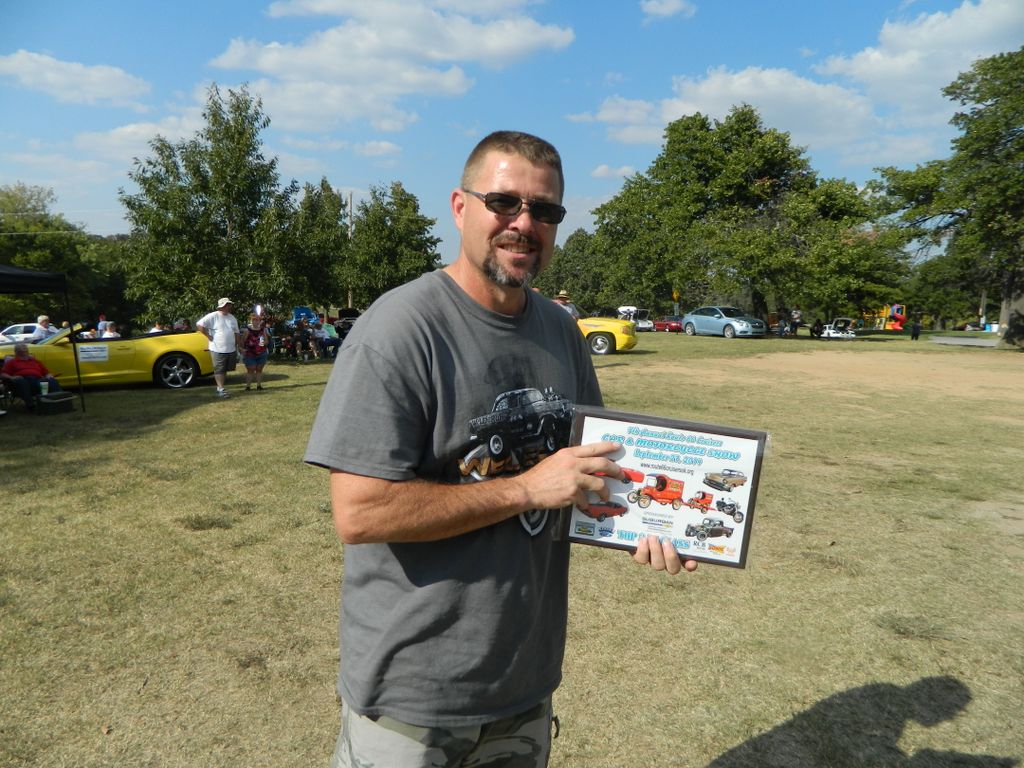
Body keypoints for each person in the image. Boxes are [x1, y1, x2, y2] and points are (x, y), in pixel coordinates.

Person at [304, 130, 696, 768]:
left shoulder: (561, 331)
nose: (523, 223)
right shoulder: (400, 329)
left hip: (523, 682)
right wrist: (526, 488)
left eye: (544, 210)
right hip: (415, 696)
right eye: (504, 202)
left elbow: (590, 472)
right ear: (461, 207)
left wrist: (656, 521)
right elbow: (361, 512)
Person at [196, 298, 241, 398]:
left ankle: (220, 388)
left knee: (224, 369)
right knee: (219, 369)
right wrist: (208, 336)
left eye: (229, 305)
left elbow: (237, 332)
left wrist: (239, 345)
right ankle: (221, 389)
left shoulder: (232, 318)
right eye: (227, 305)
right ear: (222, 306)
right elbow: (199, 324)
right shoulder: (213, 316)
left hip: (230, 348)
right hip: (217, 348)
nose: (229, 307)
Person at [1, 343, 63, 410]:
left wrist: (49, 375)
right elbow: (3, 374)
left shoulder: (35, 361)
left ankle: (61, 401)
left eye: (25, 350)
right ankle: (30, 405)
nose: (25, 352)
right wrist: (12, 377)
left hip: (38, 380)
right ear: (16, 352)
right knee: (22, 380)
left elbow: (46, 372)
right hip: (23, 382)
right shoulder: (12, 362)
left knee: (51, 380)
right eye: (22, 351)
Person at [241, 314, 271, 390]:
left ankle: (259, 385)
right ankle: (248, 386)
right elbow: (242, 341)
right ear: (251, 320)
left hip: (262, 352)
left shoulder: (263, 330)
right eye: (254, 320)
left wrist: (263, 343)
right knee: (251, 369)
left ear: (260, 321)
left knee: (259, 369)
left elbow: (266, 341)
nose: (256, 321)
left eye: (257, 320)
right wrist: (242, 349)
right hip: (250, 353)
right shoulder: (247, 330)